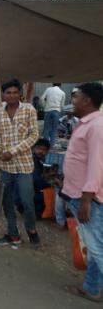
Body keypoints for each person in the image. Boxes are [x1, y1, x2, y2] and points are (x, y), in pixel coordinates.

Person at [0, 78, 40, 249]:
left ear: (20, 94)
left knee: (27, 201)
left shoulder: (29, 110)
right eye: (8, 93)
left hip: (24, 165)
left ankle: (31, 229)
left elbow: (34, 136)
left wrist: (14, 151)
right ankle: (13, 234)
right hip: (6, 168)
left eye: (14, 92)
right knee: (6, 202)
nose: (11, 95)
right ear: (3, 94)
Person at [62, 83, 103, 303]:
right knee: (97, 244)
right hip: (80, 194)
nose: (73, 100)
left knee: (96, 247)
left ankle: (93, 287)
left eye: (75, 97)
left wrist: (86, 199)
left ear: (87, 100)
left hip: (87, 198)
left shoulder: (97, 126)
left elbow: (97, 164)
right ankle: (92, 288)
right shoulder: (87, 123)